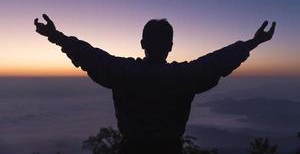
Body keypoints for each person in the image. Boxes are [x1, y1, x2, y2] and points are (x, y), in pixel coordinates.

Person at [34, 14, 276, 154]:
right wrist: (253, 43)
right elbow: (216, 62)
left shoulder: (123, 72)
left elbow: (88, 55)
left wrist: (56, 36)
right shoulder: (184, 76)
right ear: (171, 46)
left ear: (142, 43)